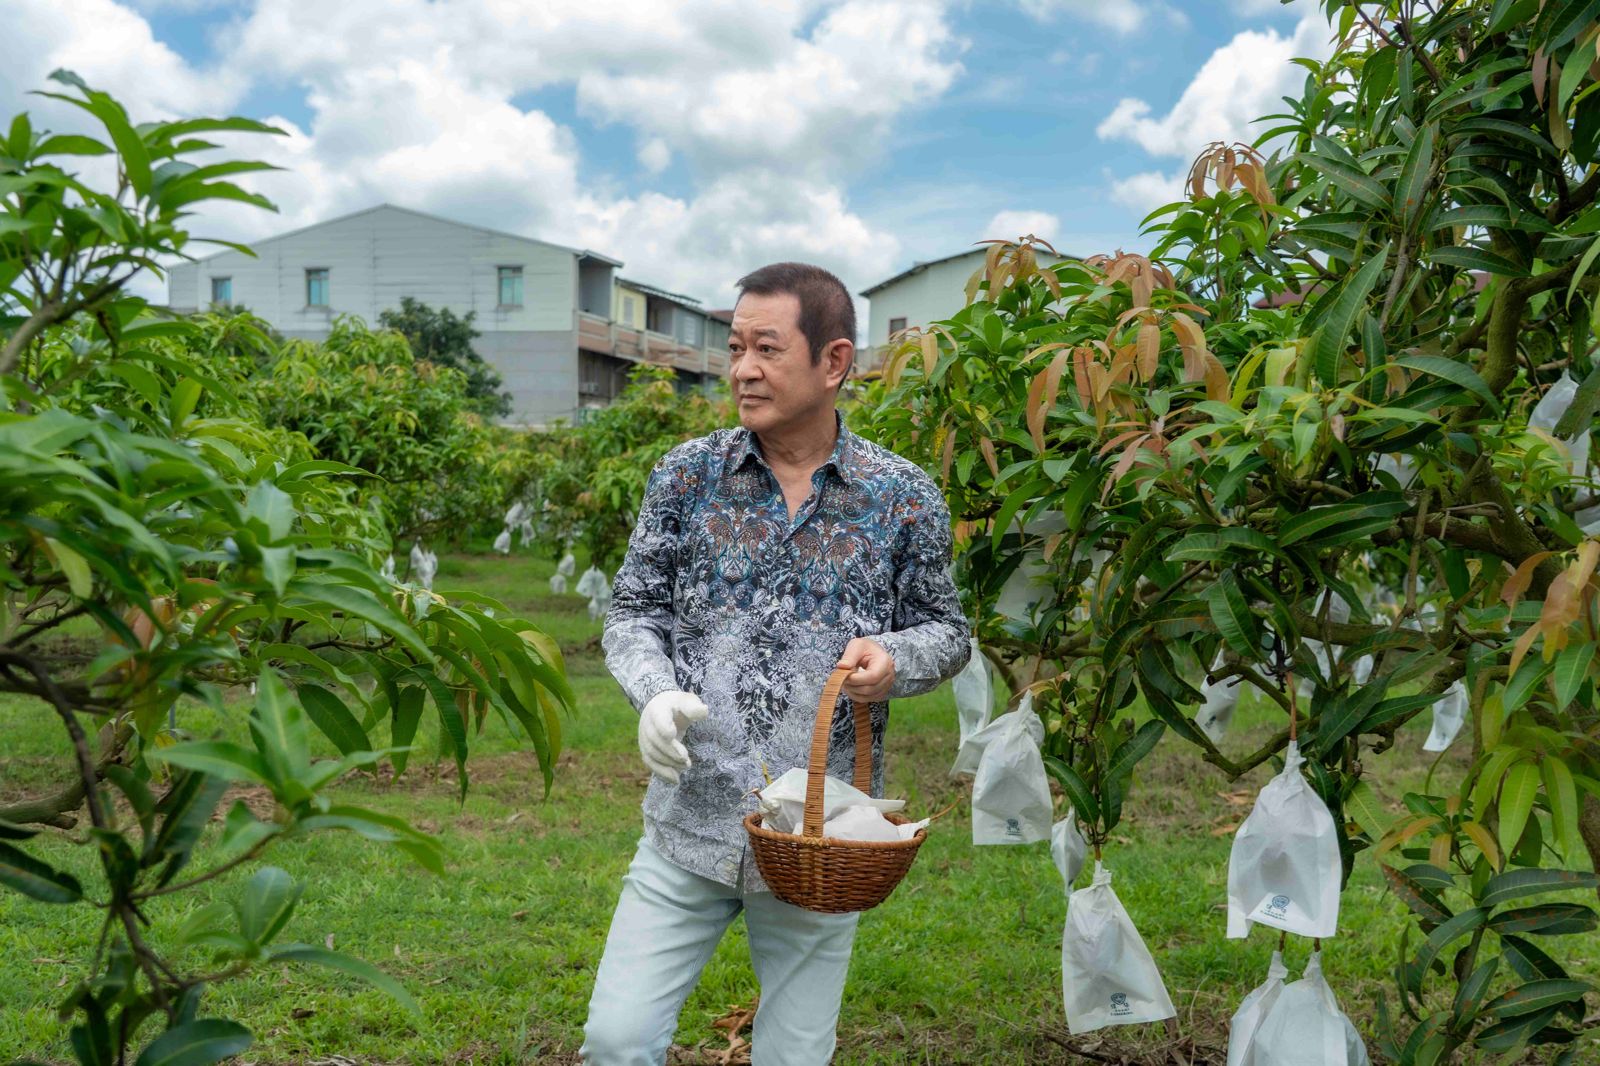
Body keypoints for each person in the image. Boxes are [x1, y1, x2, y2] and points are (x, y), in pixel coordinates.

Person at [581, 262, 970, 1065]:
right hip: (689, 820)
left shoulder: (903, 496)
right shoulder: (687, 477)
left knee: (793, 1056)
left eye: (766, 347)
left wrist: (895, 657)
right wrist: (654, 695)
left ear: (834, 363)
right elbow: (632, 614)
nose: (742, 369)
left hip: (818, 837)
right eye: (733, 347)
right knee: (617, 1040)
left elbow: (946, 629)